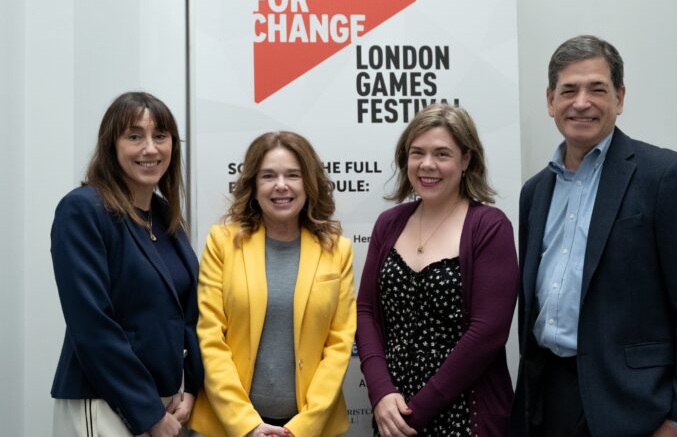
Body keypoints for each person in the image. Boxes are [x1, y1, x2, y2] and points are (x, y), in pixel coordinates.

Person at [508, 35, 677, 437]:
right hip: (546, 396)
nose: (581, 102)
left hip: (632, 406)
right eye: (568, 90)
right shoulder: (534, 192)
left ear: (619, 98)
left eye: (597, 89)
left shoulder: (666, 177)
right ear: (550, 101)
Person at [357, 103, 519, 437]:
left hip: (463, 417)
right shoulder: (389, 223)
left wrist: (414, 414)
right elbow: (366, 311)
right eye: (417, 152)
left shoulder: (489, 226)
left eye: (442, 154)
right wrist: (381, 394)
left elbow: (487, 334)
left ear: (466, 160)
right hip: (392, 416)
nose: (427, 164)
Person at [50, 91, 204, 436]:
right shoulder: (83, 210)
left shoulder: (164, 215)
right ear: (111, 145)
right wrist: (149, 413)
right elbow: (92, 324)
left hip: (167, 404)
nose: (150, 148)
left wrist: (191, 386)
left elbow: (186, 315)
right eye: (135, 136)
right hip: (106, 403)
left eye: (160, 136)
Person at [189, 131, 356, 437]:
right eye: (268, 176)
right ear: (253, 186)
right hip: (229, 427)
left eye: (293, 175)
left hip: (311, 427)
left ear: (309, 183)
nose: (281, 185)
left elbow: (339, 345)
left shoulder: (337, 249)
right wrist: (246, 424)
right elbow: (211, 338)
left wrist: (301, 429)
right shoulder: (222, 243)